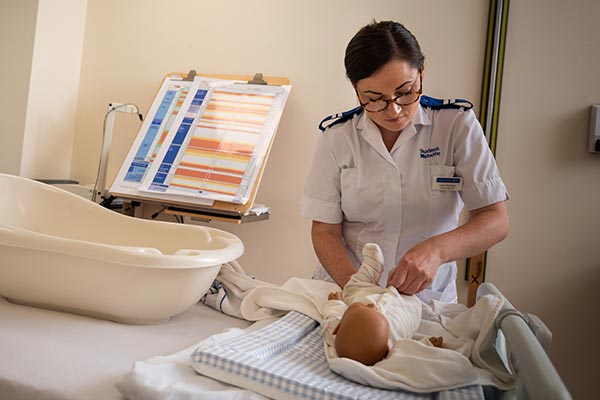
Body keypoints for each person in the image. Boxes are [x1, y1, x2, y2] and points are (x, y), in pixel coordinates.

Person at [300, 20, 509, 303]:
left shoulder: (455, 125)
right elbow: (325, 231)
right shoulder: (338, 137)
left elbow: (495, 219)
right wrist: (358, 289)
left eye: (405, 92)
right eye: (375, 99)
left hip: (425, 300)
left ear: (422, 72)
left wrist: (437, 250)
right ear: (356, 90)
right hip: (346, 290)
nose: (394, 110)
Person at [322, 242, 440, 366]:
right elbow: (410, 352)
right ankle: (399, 282)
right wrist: (427, 344)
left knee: (352, 289)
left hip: (364, 292)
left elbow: (332, 316)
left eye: (364, 307)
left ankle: (371, 269)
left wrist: (334, 302)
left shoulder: (334, 333)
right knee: (405, 287)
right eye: (376, 312)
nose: (372, 305)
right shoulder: (395, 344)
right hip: (401, 304)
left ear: (338, 327)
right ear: (388, 350)